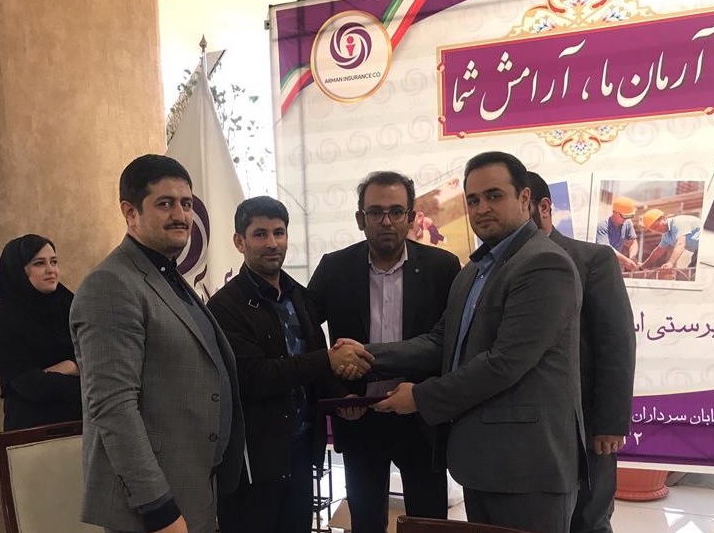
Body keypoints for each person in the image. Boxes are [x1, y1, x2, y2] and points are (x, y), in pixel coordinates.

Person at [363, 152, 586, 533]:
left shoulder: (544, 264)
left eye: (494, 195)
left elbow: (504, 363)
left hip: (529, 466)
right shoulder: (474, 272)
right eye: (473, 200)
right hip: (481, 461)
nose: (482, 208)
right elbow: (440, 341)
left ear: (525, 198)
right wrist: (368, 355)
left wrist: (420, 397)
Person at [70, 154, 246, 533]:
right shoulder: (112, 284)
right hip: (153, 508)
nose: (181, 215)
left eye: (186, 203)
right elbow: (113, 406)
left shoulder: (168, 277)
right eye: (165, 204)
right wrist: (158, 508)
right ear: (129, 212)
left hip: (194, 489)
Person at [206, 196, 372, 533]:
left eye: (279, 233)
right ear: (239, 241)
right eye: (260, 234)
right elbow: (254, 376)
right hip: (253, 463)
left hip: (300, 451)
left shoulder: (298, 294)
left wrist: (341, 398)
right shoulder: (225, 306)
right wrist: (327, 360)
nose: (272, 243)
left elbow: (314, 356)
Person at [308, 171, 461, 533]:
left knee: (428, 523)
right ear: (360, 219)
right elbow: (307, 334)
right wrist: (337, 393)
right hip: (359, 416)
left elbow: (449, 343)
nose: (387, 221)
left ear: (411, 217)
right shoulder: (335, 268)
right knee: (365, 521)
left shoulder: (442, 268)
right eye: (375, 212)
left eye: (396, 211)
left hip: (420, 415)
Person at [527, 172, 636, 533]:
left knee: (588, 517)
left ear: (543, 207)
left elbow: (616, 343)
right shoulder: (493, 269)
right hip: (527, 429)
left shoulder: (591, 259)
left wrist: (610, 423)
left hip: (586, 424)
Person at [0, 234, 82, 431]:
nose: (51, 270)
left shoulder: (72, 308)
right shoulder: (2, 320)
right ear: (19, 271)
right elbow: (31, 386)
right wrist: (77, 371)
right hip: (33, 430)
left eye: (53, 262)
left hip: (83, 422)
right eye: (39, 263)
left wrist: (67, 366)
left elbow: (100, 365)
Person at [594, 196, 639, 271]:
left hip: (613, 264)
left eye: (629, 216)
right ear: (614, 212)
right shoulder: (603, 226)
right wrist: (625, 260)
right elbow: (606, 248)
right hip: (599, 264)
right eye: (624, 216)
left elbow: (633, 242)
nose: (626, 219)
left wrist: (632, 257)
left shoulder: (627, 223)